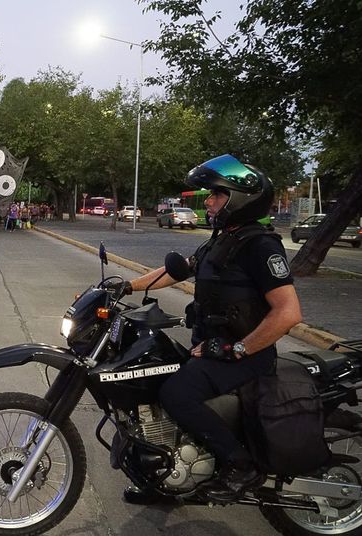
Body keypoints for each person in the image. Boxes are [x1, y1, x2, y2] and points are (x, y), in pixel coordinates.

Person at [111, 154, 302, 505]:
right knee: (154, 380)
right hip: (212, 347)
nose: (209, 201)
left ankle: (240, 465)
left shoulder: (260, 246)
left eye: (217, 195)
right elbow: (177, 270)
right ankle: (167, 481)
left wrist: (237, 350)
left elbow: (288, 313)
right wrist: (125, 287)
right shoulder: (221, 240)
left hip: (246, 356)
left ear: (240, 198)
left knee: (176, 395)